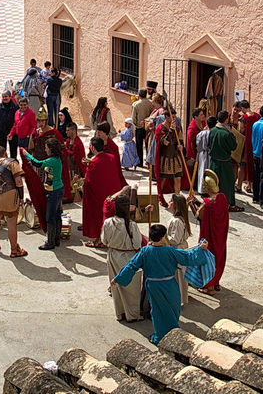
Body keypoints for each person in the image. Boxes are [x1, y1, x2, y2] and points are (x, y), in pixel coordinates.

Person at [112, 224, 212, 344]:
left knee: (158, 311)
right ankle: (173, 333)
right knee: (173, 308)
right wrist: (200, 248)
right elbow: (188, 256)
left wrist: (118, 278)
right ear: (163, 237)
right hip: (169, 284)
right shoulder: (170, 251)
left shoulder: (145, 251)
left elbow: (131, 265)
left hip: (153, 285)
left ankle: (159, 336)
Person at [101, 192, 143, 323]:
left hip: (113, 255)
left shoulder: (108, 222)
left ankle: (120, 313)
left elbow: (104, 241)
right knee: (132, 288)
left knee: (116, 286)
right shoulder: (132, 225)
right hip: (129, 257)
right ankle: (133, 314)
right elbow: (137, 243)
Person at [22, 138, 65, 250]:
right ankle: (56, 239)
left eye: (46, 147)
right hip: (58, 189)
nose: (45, 150)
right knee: (56, 214)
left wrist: (27, 155)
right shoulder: (57, 159)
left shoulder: (52, 160)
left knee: (50, 216)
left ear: (51, 149)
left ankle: (50, 242)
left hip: (53, 191)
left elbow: (37, 163)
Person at [82, 137, 125, 248]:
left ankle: (99, 240)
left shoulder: (94, 163)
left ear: (93, 148)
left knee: (98, 217)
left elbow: (88, 183)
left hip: (98, 197)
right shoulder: (111, 157)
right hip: (112, 193)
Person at [0, 145, 27, 257]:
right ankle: (14, 250)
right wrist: (20, 197)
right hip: (9, 196)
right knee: (11, 223)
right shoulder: (11, 163)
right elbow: (19, 181)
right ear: (5, 154)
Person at [197, 170, 228, 295]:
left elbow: (199, 215)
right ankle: (216, 283)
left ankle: (208, 288)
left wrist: (193, 203)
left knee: (208, 259)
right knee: (219, 257)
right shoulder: (222, 199)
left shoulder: (207, 204)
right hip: (221, 237)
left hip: (209, 237)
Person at [209, 110, 240, 212]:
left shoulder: (212, 130)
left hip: (213, 162)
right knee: (228, 184)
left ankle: (215, 202)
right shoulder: (227, 133)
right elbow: (233, 146)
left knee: (215, 183)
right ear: (226, 119)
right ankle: (229, 204)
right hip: (224, 162)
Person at [167, 193, 192, 305]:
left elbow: (174, 239)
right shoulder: (177, 219)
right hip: (179, 249)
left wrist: (162, 237)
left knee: (178, 276)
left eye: (170, 201)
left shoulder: (177, 221)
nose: (168, 202)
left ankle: (179, 299)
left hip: (177, 250)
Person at [237, 101, 260, 195]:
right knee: (252, 165)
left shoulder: (243, 118)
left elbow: (240, 131)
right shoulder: (257, 116)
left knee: (242, 165)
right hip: (254, 144)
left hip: (245, 144)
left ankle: (238, 186)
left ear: (242, 108)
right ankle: (249, 185)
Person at [131, 89, 153, 168]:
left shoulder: (135, 104)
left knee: (139, 146)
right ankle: (149, 162)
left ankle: (140, 162)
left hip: (139, 127)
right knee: (148, 145)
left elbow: (133, 118)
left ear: (139, 95)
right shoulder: (151, 103)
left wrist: (134, 126)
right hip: (148, 127)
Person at [194, 116, 215, 197]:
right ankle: (209, 189)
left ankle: (202, 189)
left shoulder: (201, 133)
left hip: (202, 154)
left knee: (202, 171)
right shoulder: (213, 133)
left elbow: (198, 144)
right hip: (210, 154)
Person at [0, 91, 19, 158]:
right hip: (2, 132)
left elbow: (17, 120)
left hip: (13, 133)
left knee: (13, 151)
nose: (4, 98)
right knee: (2, 151)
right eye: (3, 97)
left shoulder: (15, 107)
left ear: (10, 97)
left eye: (6, 96)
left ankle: (13, 165)